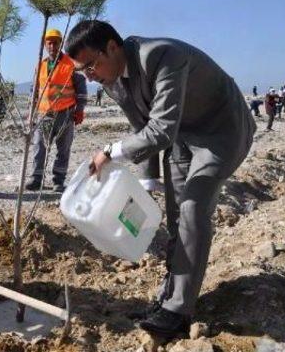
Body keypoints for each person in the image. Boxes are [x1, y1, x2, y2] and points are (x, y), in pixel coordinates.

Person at [65, 20, 255, 338]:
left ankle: (178, 311)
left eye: (91, 65)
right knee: (176, 214)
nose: (90, 76)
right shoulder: (112, 80)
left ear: (112, 47)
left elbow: (161, 129)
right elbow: (143, 129)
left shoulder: (162, 56)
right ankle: (168, 298)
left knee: (193, 208)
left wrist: (109, 152)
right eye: (82, 72)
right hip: (182, 137)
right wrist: (147, 182)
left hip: (221, 130)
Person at [24, 28, 87, 193]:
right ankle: (36, 179)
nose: (52, 45)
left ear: (61, 44)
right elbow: (35, 90)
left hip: (65, 114)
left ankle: (58, 181)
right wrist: (30, 113)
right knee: (39, 147)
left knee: (63, 149)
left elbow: (81, 88)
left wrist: (79, 110)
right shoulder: (40, 65)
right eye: (49, 42)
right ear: (45, 45)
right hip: (44, 114)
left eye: (55, 42)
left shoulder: (71, 64)